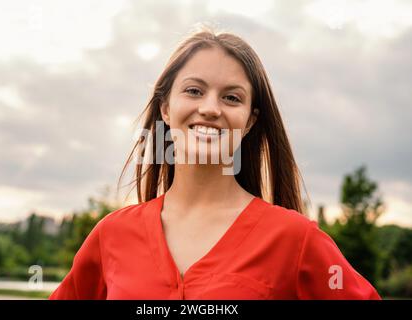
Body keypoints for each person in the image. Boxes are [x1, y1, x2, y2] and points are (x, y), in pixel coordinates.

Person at [49, 27, 381, 300]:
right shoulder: (113, 235)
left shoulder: (295, 239)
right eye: (194, 91)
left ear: (249, 122)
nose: (210, 108)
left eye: (231, 97)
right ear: (165, 108)